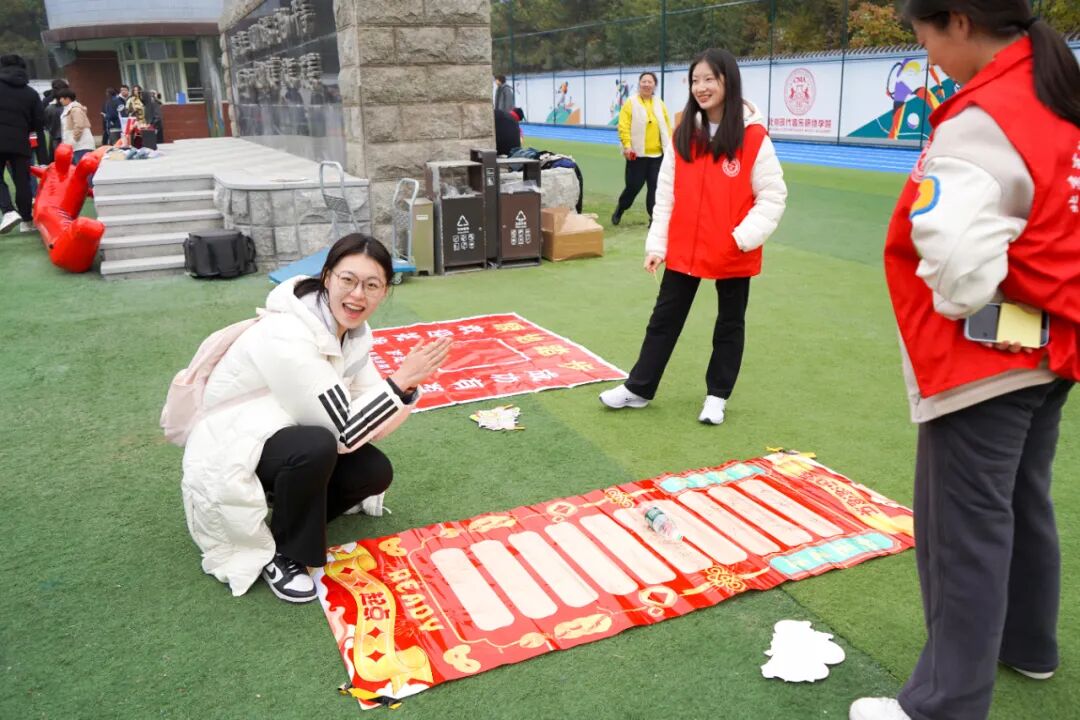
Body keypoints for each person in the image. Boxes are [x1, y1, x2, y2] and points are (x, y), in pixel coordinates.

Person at [849, 3, 1080, 720]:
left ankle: (943, 705)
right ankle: (1028, 643)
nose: (926, 55)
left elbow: (952, 252)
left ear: (956, 20)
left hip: (988, 357)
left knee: (963, 531)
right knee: (1020, 501)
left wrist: (968, 306)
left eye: (922, 37)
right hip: (1052, 345)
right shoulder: (1055, 94)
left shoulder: (985, 115)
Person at [181, 234, 451, 603]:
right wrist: (400, 381)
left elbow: (373, 422)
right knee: (317, 444)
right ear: (326, 278)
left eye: (372, 285)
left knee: (372, 471)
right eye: (348, 280)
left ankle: (284, 509)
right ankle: (285, 554)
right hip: (231, 448)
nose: (358, 295)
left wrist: (405, 389)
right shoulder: (287, 333)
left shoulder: (353, 335)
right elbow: (343, 432)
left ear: (385, 292)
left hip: (277, 436)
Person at [599, 48, 787, 425]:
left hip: (732, 249)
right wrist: (657, 245)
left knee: (729, 323)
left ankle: (717, 396)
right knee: (664, 318)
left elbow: (773, 196)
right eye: (695, 80)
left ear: (728, 82)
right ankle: (639, 388)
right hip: (685, 245)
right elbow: (666, 194)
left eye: (709, 79)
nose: (701, 87)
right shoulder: (683, 134)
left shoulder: (753, 137)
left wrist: (741, 238)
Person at [612, 71, 673, 226]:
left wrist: (669, 148)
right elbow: (623, 126)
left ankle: (654, 218)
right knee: (633, 187)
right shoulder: (630, 102)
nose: (646, 84)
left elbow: (667, 127)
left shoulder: (660, 103)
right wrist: (627, 146)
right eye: (644, 81)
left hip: (657, 156)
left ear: (654, 85)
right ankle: (621, 208)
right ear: (639, 84)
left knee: (655, 189)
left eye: (650, 82)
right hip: (636, 155)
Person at [0, 54, 46, 235]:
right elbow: (38, 124)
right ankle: (27, 220)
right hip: (21, 141)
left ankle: (8, 211)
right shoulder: (31, 93)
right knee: (22, 182)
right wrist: (43, 158)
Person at [55, 89, 96, 164]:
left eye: (61, 98)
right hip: (75, 146)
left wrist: (74, 139)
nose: (60, 100)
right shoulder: (69, 109)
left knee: (82, 167)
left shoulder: (75, 109)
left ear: (67, 98)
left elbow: (79, 125)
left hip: (81, 145)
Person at [42, 79, 68, 163]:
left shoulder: (48, 104)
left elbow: (45, 122)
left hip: (54, 136)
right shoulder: (70, 104)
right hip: (66, 136)